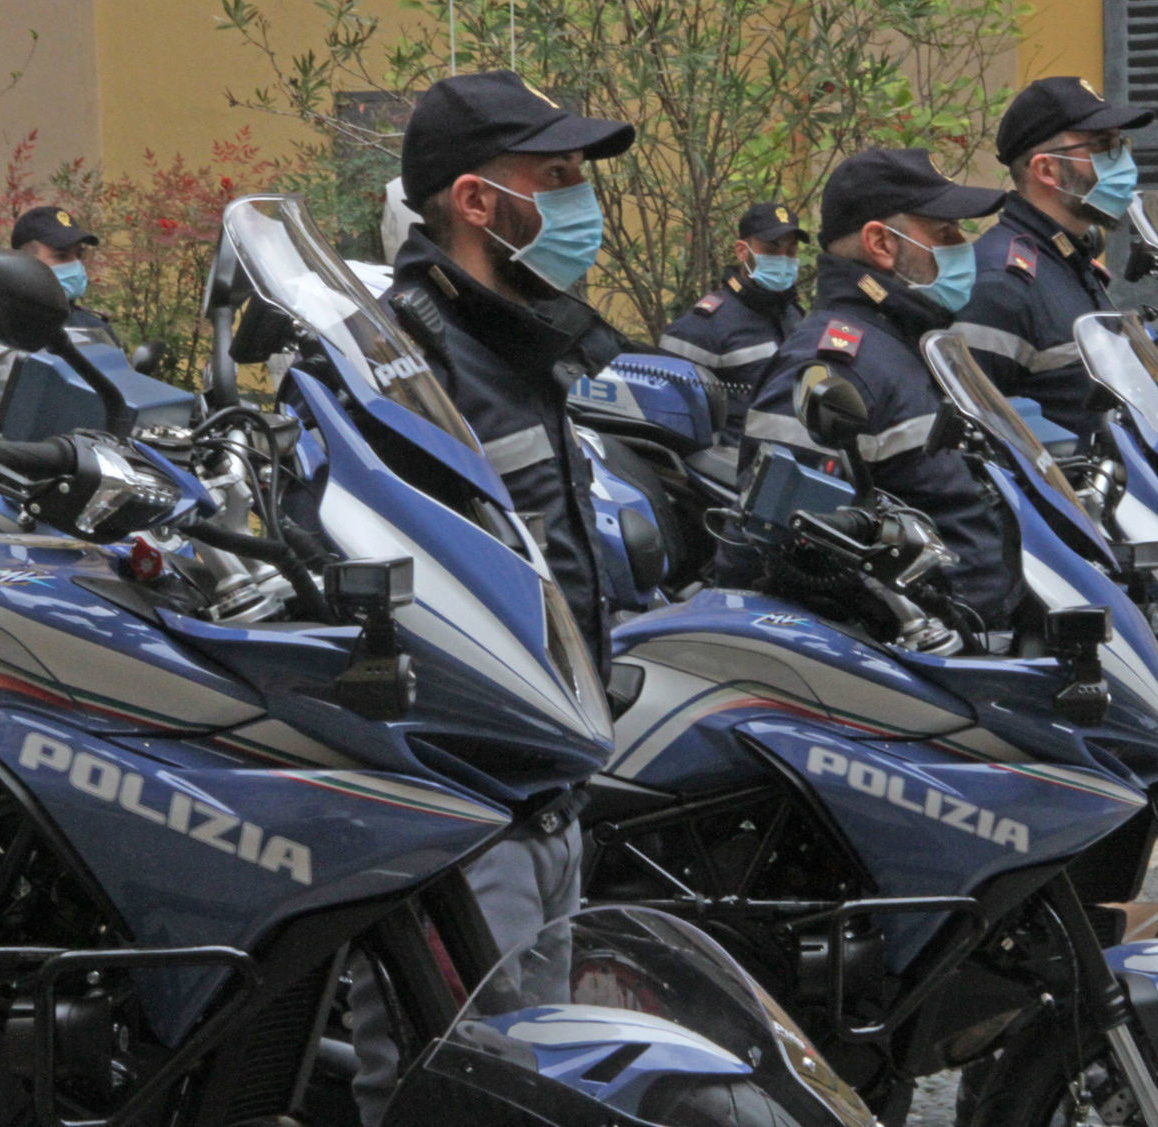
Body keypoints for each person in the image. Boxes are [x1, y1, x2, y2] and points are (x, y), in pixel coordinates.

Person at [351, 69, 634, 1126]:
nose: (579, 201)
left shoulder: (508, 341)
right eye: (554, 175)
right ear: (475, 200)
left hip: (547, 787)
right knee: (453, 1086)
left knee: (530, 1086)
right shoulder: (409, 355)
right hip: (467, 804)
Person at [736, 148, 1024, 625]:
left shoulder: (908, 343)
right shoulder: (832, 364)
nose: (962, 245)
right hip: (923, 659)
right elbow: (784, 557)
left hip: (979, 638)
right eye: (944, 231)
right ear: (881, 243)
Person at [953, 76, 1153, 441]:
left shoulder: (1068, 260)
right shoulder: (1001, 282)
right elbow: (976, 436)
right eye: (1103, 146)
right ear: (1046, 170)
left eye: (1121, 143)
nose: (1123, 161)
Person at [657, 202, 809, 443]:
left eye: (791, 252)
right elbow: (670, 417)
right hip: (729, 472)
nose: (783, 260)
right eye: (771, 249)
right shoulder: (702, 327)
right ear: (742, 251)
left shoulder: (793, 315)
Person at [10, 205, 118, 347]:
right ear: (25, 263)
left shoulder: (94, 330)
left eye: (79, 254)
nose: (75, 264)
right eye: (61, 256)